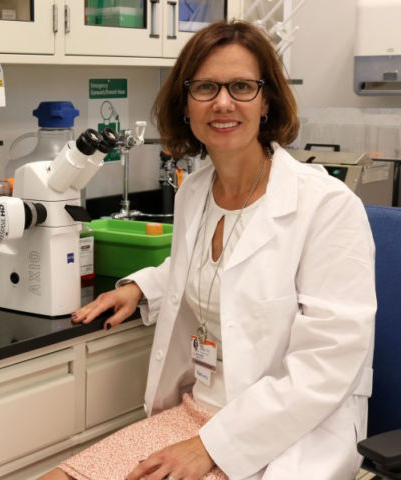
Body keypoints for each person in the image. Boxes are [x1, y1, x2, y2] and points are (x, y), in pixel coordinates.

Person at [39, 19, 376, 480]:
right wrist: (143, 286)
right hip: (196, 412)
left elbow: (326, 365)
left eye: (241, 86)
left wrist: (210, 447)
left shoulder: (328, 207)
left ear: (266, 101)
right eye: (205, 87)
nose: (222, 102)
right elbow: (214, 267)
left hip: (289, 433)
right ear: (186, 105)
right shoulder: (195, 191)